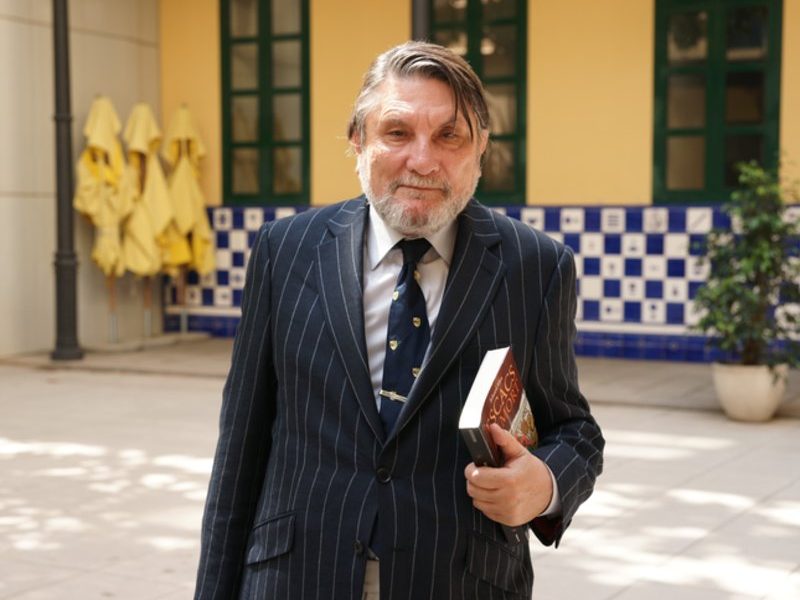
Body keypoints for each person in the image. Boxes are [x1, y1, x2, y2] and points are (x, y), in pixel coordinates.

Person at [194, 41, 604, 600]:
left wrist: (545, 484)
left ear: (481, 148)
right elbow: (240, 451)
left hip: (459, 583)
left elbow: (575, 430)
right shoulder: (284, 251)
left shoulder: (536, 267)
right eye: (397, 132)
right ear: (357, 140)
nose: (423, 160)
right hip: (297, 578)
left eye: (450, 136)